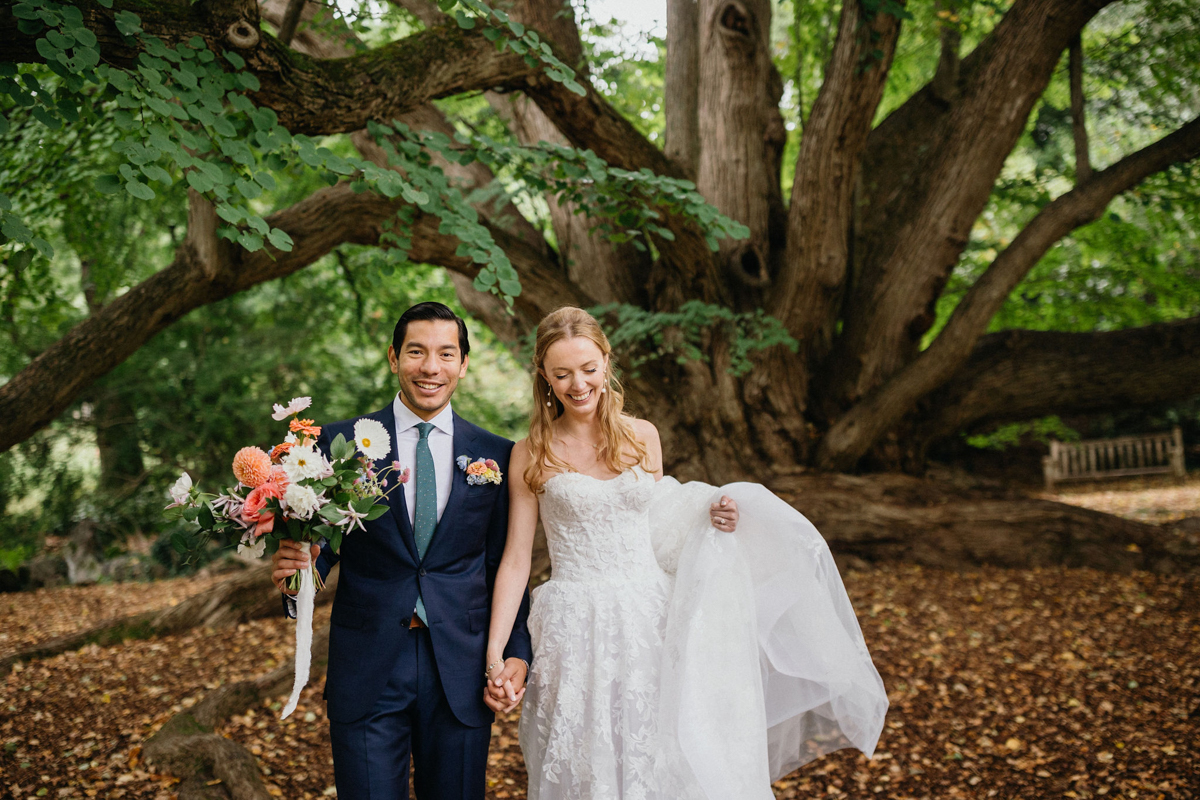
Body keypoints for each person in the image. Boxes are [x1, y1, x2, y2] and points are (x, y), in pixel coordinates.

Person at [485, 306, 889, 800]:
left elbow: (662, 524)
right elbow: (516, 559)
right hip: (573, 626)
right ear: (545, 377)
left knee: (659, 754)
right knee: (582, 760)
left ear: (606, 364)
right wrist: (496, 652)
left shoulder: (642, 436)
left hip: (651, 618)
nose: (578, 384)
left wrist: (713, 518)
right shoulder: (530, 452)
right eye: (562, 373)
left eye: (588, 369)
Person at [271, 301, 532, 799]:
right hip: (368, 666)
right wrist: (297, 575)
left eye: (445, 354)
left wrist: (517, 650)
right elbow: (320, 548)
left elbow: (505, 564)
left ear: (463, 363)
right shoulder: (337, 442)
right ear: (393, 357)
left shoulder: (497, 454)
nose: (430, 367)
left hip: (461, 665)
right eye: (416, 352)